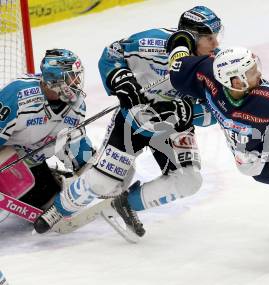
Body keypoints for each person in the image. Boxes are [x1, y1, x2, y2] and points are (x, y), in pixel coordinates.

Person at [163, 8, 269, 262]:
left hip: (249, 157)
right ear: (237, 83)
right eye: (252, 72)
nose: (259, 74)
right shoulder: (265, 103)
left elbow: (178, 66)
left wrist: (182, 39)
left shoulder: (207, 75)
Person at [33, 6, 222, 235]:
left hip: (173, 131)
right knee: (103, 183)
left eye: (216, 36)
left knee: (189, 180)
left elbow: (220, 109)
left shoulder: (215, 66)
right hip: (132, 121)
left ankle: (126, 204)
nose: (216, 44)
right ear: (191, 36)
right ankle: (58, 210)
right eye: (209, 38)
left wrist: (188, 112)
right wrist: (120, 79)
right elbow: (111, 54)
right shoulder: (151, 43)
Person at [0, 49, 94, 221]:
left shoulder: (76, 105)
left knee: (50, 202)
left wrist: (95, 172)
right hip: (5, 157)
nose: (78, 81)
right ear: (54, 80)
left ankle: (52, 177)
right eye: (72, 76)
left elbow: (75, 145)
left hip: (29, 163)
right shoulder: (18, 95)